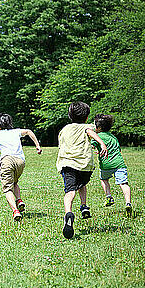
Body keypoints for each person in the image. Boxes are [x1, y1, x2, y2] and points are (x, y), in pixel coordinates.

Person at [57, 101, 108, 239]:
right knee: (82, 184)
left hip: (67, 164)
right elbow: (91, 132)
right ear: (86, 117)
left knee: (70, 190)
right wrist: (102, 143)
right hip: (84, 166)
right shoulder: (87, 126)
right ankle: (84, 206)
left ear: (70, 115)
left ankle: (68, 212)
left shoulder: (65, 129)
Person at [0, 113, 42, 222]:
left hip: (7, 161)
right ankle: (19, 200)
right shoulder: (16, 132)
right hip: (20, 161)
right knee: (14, 182)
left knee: (8, 188)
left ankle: (15, 211)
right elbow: (29, 131)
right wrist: (37, 145)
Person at [91, 114, 133, 215]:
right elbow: (117, 149)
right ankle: (128, 203)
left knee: (104, 179)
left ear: (99, 127)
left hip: (106, 164)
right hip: (119, 164)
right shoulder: (113, 136)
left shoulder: (97, 137)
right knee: (123, 183)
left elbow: (92, 146)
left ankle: (109, 197)